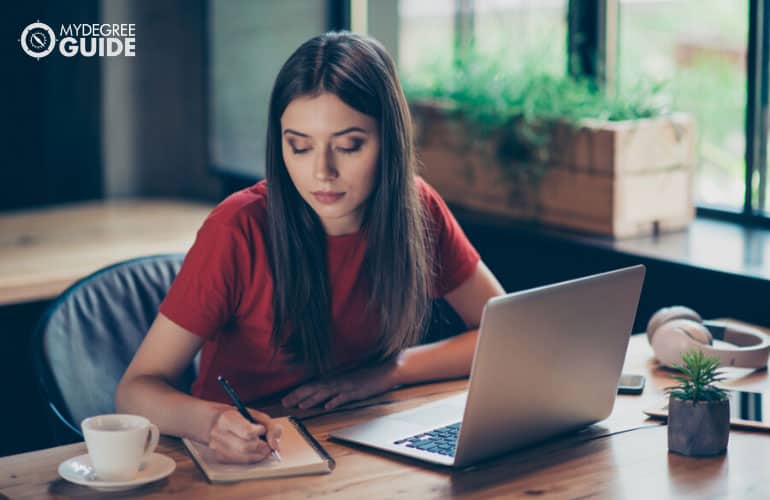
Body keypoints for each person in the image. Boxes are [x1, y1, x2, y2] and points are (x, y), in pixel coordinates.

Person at [116, 31, 504, 464]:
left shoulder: (416, 208)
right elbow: (136, 389)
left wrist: (386, 373)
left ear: (390, 141)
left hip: (359, 437)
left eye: (349, 146)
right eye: (298, 146)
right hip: (251, 455)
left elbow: (501, 332)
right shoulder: (237, 228)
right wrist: (209, 422)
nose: (322, 172)